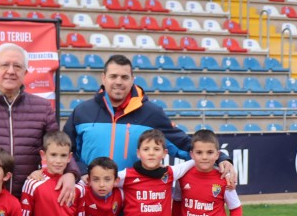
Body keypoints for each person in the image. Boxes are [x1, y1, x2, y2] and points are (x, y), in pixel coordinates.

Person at [63, 54, 236, 183]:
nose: (118, 82)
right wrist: (83, 171)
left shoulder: (151, 113)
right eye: (113, 76)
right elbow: (67, 151)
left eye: (124, 77)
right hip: (92, 197)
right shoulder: (82, 111)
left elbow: (183, 144)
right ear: (103, 78)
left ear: (133, 79)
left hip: (135, 199)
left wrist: (221, 159)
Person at [0, 43, 78, 210]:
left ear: (25, 72)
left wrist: (71, 173)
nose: (10, 71)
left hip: (28, 201)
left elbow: (58, 145)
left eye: (17, 66)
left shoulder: (42, 108)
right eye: (5, 65)